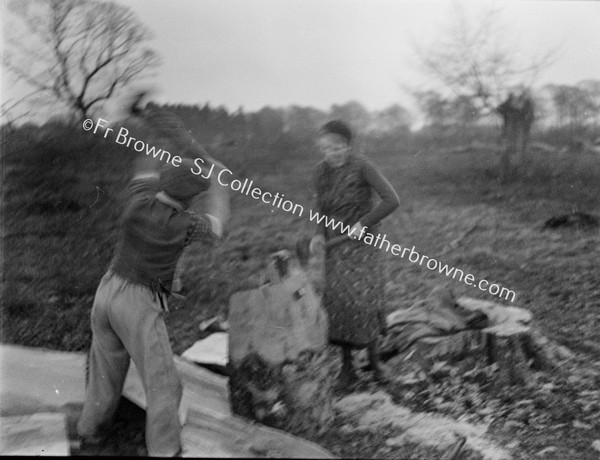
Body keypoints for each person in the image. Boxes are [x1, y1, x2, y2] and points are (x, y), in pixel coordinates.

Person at [76, 100, 230, 457]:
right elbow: (219, 227)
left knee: (104, 373)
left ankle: (90, 434)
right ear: (190, 199)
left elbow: (143, 166)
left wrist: (156, 139)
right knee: (163, 384)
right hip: (138, 303)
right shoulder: (182, 224)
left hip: (107, 291)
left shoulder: (139, 198)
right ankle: (166, 451)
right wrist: (219, 183)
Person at [310, 120, 399, 389]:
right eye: (326, 148)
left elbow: (392, 200)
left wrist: (363, 223)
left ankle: (374, 362)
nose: (332, 153)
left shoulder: (363, 166)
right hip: (335, 246)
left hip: (364, 244)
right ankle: (347, 367)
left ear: (348, 146)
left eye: (337, 147)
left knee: (365, 302)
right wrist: (318, 234)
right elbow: (320, 207)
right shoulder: (320, 172)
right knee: (339, 305)